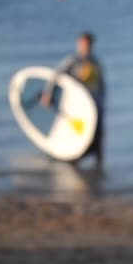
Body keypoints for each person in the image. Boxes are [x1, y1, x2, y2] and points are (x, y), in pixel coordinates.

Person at [41, 32, 106, 167]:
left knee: (98, 140)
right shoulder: (73, 60)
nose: (85, 47)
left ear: (91, 45)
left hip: (95, 107)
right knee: (77, 136)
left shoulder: (95, 62)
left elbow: (101, 85)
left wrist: (103, 104)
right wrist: (48, 93)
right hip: (78, 108)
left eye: (87, 44)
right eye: (82, 44)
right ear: (79, 44)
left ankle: (99, 169)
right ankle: (69, 161)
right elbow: (56, 75)